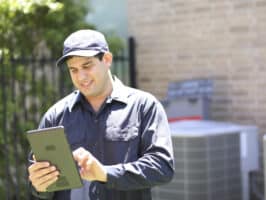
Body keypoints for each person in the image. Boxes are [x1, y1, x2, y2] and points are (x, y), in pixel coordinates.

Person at [27, 29, 174, 200]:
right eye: (73, 70)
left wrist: (105, 173)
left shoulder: (144, 106)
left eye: (87, 66)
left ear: (107, 59)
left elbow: (162, 168)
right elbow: (37, 186)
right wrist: (39, 185)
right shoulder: (55, 116)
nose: (81, 77)